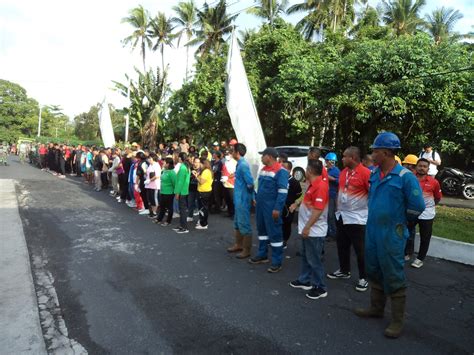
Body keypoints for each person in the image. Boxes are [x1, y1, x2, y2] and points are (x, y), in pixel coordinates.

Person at [354, 132, 425, 339]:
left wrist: (402, 225)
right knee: (373, 269)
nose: (372, 154)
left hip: (392, 234)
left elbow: (417, 206)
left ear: (385, 152)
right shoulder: (375, 174)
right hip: (374, 231)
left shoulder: (405, 177)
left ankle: (397, 320)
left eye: (375, 150)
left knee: (393, 273)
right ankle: (376, 309)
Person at [327, 147, 371, 292]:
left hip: (358, 219)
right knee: (342, 245)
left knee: (360, 250)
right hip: (342, 216)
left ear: (352, 157)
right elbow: (341, 190)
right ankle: (344, 270)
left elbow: (372, 193)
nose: (342, 159)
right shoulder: (343, 172)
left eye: (344, 156)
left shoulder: (365, 173)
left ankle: (363, 278)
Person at [288, 160, 329, 300]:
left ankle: (320, 287)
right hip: (309, 229)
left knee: (314, 259)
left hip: (314, 230)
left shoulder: (320, 186)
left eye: (306, 168)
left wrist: (307, 227)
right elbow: (306, 197)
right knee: (307, 256)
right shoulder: (312, 184)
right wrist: (296, 203)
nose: (305, 170)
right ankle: (304, 280)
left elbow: (318, 210)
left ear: (310, 170)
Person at [249, 147, 289, 273]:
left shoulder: (281, 171)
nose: (261, 158)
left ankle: (277, 261)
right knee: (262, 230)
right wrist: (255, 197)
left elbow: (282, 192)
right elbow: (258, 185)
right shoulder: (263, 170)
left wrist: (277, 208)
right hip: (261, 206)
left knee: (274, 232)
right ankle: (262, 254)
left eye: (263, 155)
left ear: (269, 157)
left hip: (272, 207)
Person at [405, 158, 442, 268]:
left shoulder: (434, 182)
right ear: (416, 166)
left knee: (425, 237)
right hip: (411, 212)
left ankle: (420, 259)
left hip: (427, 214)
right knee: (406, 234)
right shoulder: (409, 179)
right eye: (420, 165)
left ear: (428, 169)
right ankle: (406, 253)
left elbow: (437, 198)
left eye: (424, 166)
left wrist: (428, 207)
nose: (422, 168)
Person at [227, 143, 255, 259]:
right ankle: (238, 245)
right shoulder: (240, 164)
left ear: (237, 152)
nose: (231, 152)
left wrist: (250, 197)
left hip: (243, 200)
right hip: (239, 199)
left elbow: (250, 183)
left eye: (233, 150)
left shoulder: (243, 165)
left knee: (244, 224)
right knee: (237, 223)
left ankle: (246, 250)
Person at [281, 161, 302, 249]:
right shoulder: (279, 179)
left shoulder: (294, 181)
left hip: (289, 208)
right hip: (280, 206)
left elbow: (299, 194)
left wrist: (294, 203)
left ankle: (284, 241)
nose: (282, 169)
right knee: (278, 223)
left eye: (284, 168)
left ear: (289, 170)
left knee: (287, 224)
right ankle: (277, 239)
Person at [155, 158, 177, 226]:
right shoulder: (164, 171)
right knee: (162, 206)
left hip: (169, 193)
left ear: (168, 164)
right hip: (163, 191)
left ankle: (168, 221)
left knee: (169, 207)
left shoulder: (172, 172)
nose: (163, 164)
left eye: (164, 163)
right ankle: (159, 219)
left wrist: (175, 193)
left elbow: (174, 183)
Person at [173, 152, 191, 233]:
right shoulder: (186, 166)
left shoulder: (183, 167)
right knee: (182, 209)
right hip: (184, 191)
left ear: (180, 158)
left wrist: (177, 193)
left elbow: (180, 182)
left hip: (181, 192)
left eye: (179, 157)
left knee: (182, 210)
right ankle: (181, 225)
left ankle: (184, 227)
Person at [325, 152, 340, 239]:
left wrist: (332, 179)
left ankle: (333, 234)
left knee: (331, 215)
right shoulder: (328, 170)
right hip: (327, 195)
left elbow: (340, 182)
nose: (326, 162)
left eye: (327, 161)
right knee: (327, 215)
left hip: (332, 196)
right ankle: (328, 232)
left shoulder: (336, 171)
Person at [195, 159, 213, 229]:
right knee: (202, 208)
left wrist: (196, 176)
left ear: (204, 164)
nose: (199, 165)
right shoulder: (205, 171)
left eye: (200, 164)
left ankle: (204, 224)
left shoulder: (206, 171)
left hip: (204, 192)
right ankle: (202, 221)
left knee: (203, 208)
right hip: (203, 191)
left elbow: (201, 182)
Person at [145, 152, 161, 218]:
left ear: (153, 158)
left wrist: (150, 180)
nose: (149, 159)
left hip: (155, 185)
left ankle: (155, 212)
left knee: (155, 198)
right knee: (150, 198)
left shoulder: (156, 165)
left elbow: (157, 175)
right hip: (149, 184)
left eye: (150, 158)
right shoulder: (150, 165)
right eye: (148, 158)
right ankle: (152, 211)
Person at [221, 150, 237, 218]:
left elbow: (235, 173)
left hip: (231, 184)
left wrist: (227, 177)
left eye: (228, 154)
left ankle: (234, 214)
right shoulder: (225, 162)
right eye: (226, 154)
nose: (226, 155)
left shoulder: (234, 162)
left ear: (231, 154)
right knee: (227, 198)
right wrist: (223, 177)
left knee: (232, 199)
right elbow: (222, 170)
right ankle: (230, 212)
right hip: (225, 183)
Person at [187, 157, 201, 222]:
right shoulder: (190, 168)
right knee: (190, 203)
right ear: (193, 162)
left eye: (198, 162)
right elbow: (187, 177)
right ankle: (190, 216)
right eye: (195, 162)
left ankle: (200, 219)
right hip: (191, 188)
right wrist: (191, 175)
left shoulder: (201, 170)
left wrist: (196, 175)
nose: (196, 164)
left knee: (199, 204)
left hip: (199, 188)